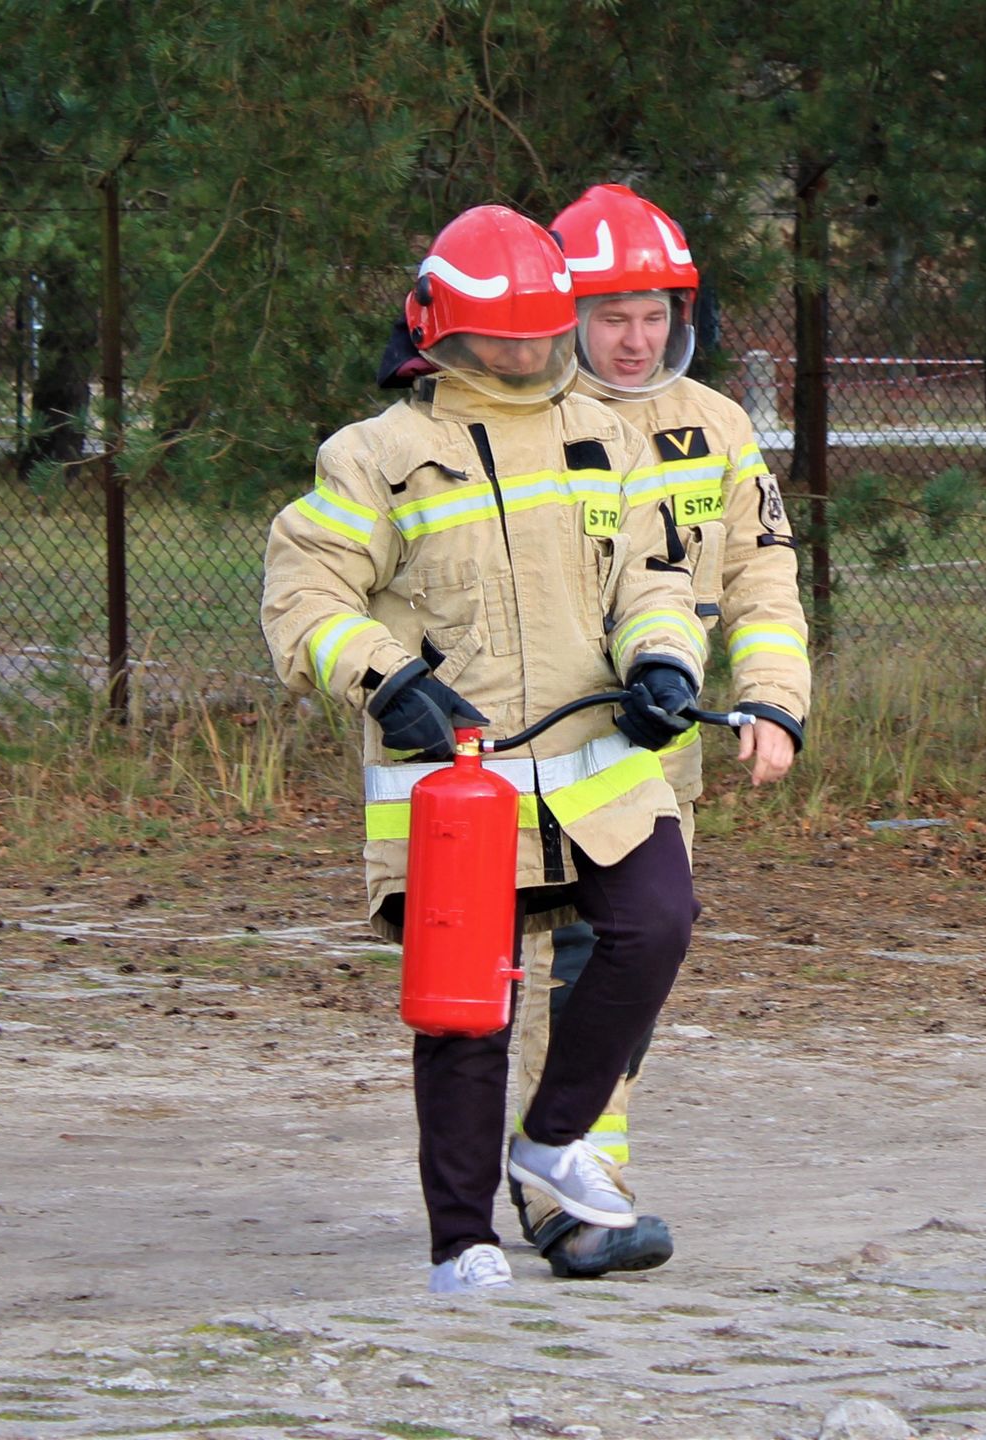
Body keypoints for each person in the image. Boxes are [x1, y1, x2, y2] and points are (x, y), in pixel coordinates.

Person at [262, 204, 711, 1294]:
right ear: (441, 334)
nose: (525, 357)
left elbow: (652, 578)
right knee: (469, 1016)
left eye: (541, 336)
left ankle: (552, 1140)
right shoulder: (375, 457)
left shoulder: (604, 437)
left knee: (658, 922)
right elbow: (304, 594)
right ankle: (460, 1242)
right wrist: (388, 680)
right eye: (502, 340)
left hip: (599, 767)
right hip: (456, 788)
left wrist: (664, 662)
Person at [503, 183, 813, 1278]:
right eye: (609, 317)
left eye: (652, 316)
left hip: (658, 751)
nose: (634, 340)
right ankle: (554, 1194)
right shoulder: (522, 423)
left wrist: (773, 699)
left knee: (621, 973)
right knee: (559, 964)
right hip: (540, 742)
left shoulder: (716, 427)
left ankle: (576, 1183)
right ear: (566, 317)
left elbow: (762, 578)